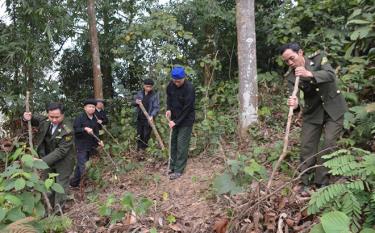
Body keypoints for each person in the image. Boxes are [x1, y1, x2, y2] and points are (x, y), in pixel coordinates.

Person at [279, 42, 348, 190]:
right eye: (286, 61)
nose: (290, 63)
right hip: (313, 112)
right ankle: (304, 182)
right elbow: (295, 98)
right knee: (306, 146)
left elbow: (330, 74)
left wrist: (308, 73)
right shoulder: (290, 76)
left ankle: (321, 182)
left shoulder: (318, 58)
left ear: (301, 53)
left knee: (328, 144)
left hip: (333, 109)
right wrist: (295, 104)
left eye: (292, 58)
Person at [23, 103, 74, 211]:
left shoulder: (67, 129)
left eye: (57, 117)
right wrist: (26, 117)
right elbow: (33, 119)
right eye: (51, 117)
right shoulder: (45, 121)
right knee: (48, 183)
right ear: (48, 114)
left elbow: (61, 151)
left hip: (63, 161)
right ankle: (48, 209)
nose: (54, 120)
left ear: (63, 115)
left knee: (61, 184)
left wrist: (41, 161)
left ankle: (58, 212)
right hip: (47, 158)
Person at [166, 66, 195, 180]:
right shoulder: (171, 86)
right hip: (174, 119)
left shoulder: (189, 89)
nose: (176, 83)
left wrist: (176, 122)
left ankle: (179, 170)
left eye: (179, 81)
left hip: (186, 120)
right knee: (173, 142)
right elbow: (169, 98)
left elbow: (187, 108)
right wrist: (168, 109)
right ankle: (172, 166)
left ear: (184, 78)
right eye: (175, 81)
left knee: (181, 144)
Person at [69, 99, 103, 187]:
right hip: (81, 145)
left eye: (93, 107)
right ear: (85, 108)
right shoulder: (80, 118)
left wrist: (99, 141)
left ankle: (73, 183)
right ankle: (85, 184)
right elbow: (75, 130)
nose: (91, 108)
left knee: (80, 165)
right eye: (89, 107)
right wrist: (84, 129)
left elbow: (96, 132)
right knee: (84, 165)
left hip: (90, 145)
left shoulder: (95, 119)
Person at [133, 79, 160, 151]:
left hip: (149, 118)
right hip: (140, 117)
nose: (149, 88)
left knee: (146, 134)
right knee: (139, 133)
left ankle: (144, 149)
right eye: (147, 86)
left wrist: (152, 116)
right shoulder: (139, 93)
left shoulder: (154, 95)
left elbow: (156, 107)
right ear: (144, 86)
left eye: (150, 87)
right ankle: (138, 149)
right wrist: (136, 102)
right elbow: (134, 103)